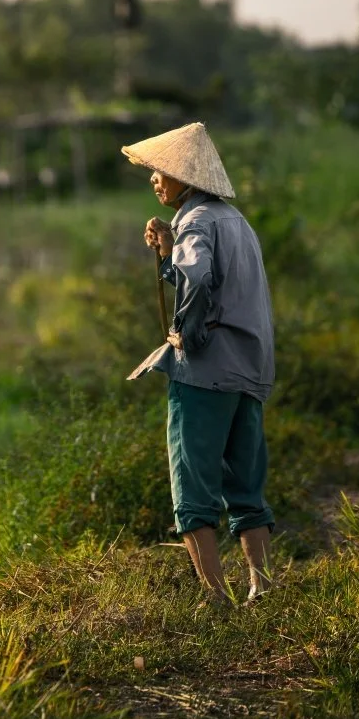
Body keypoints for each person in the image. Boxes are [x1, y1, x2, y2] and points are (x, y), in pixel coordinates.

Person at [121, 122, 276, 609]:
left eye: (159, 172)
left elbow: (199, 279)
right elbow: (209, 278)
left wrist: (185, 333)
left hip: (206, 373)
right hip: (248, 372)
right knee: (245, 484)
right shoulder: (234, 221)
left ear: (184, 178)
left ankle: (215, 601)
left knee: (192, 487)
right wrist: (169, 252)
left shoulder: (194, 221)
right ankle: (263, 589)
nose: (154, 180)